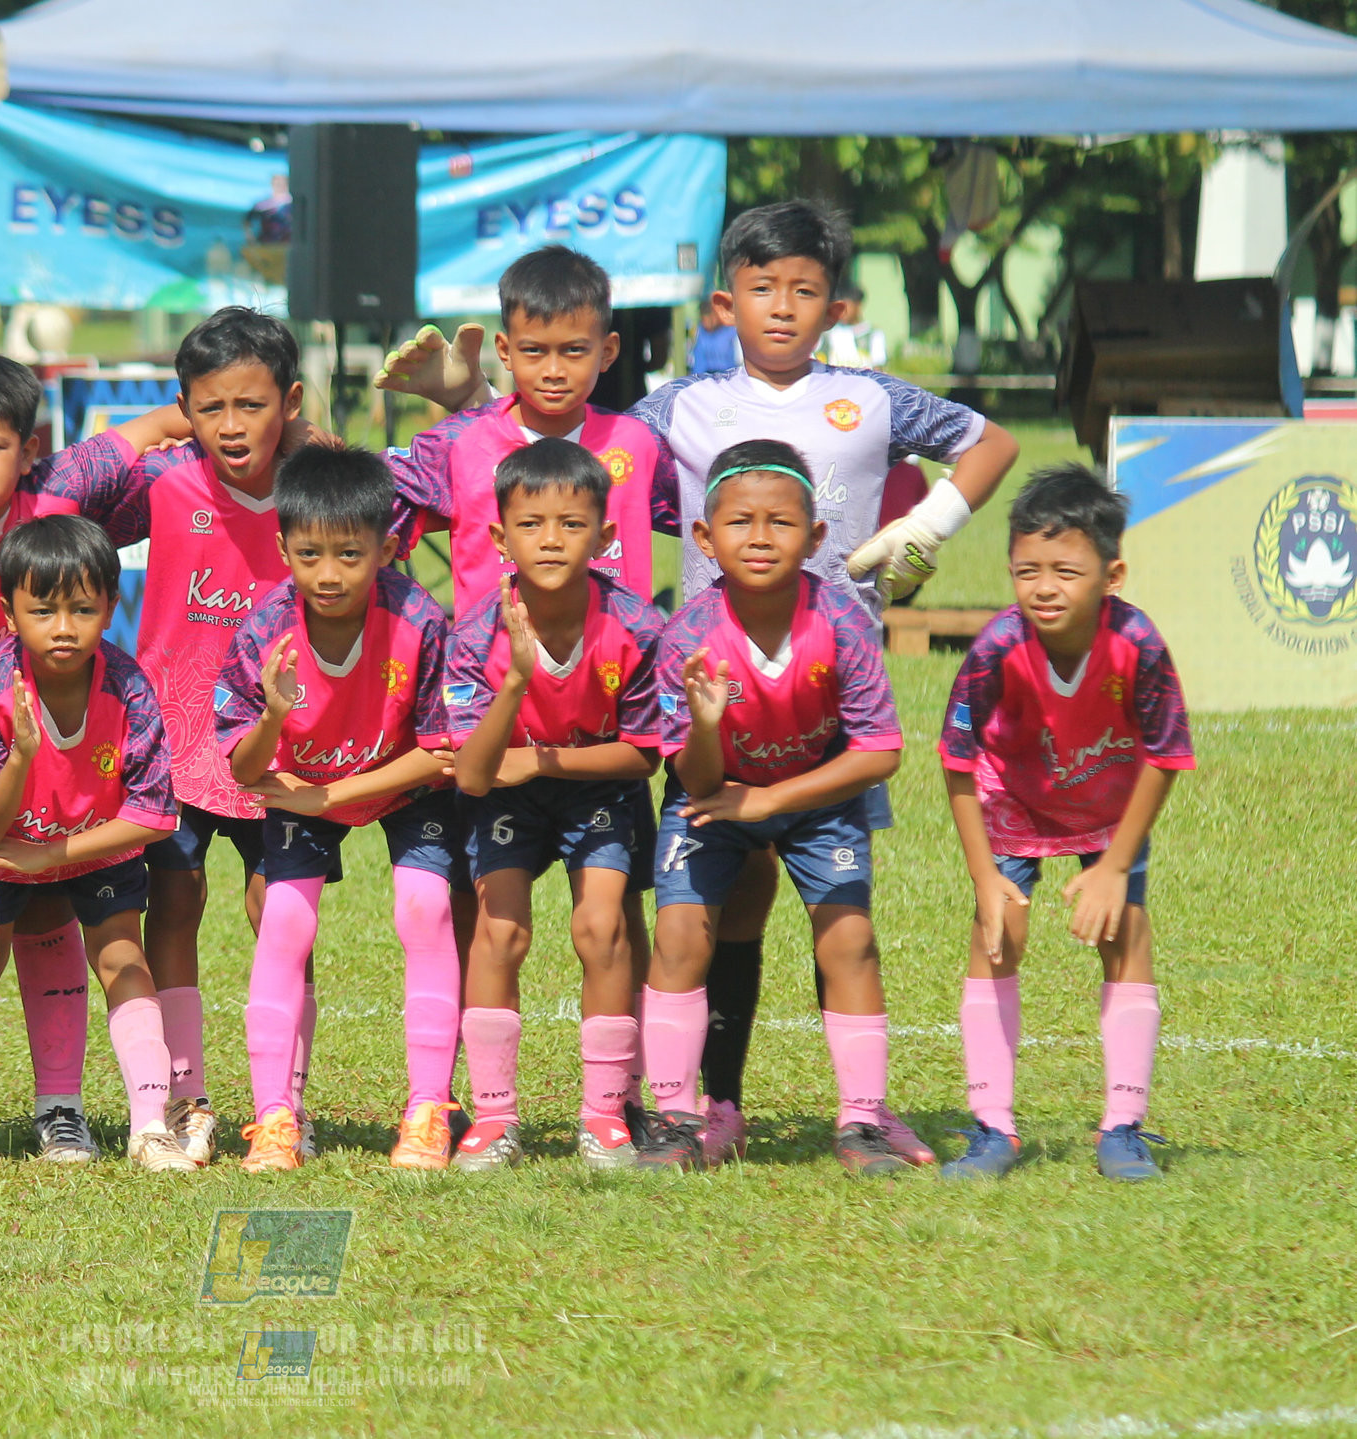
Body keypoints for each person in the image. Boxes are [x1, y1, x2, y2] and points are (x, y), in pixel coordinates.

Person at [375, 201, 1020, 1160]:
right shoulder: (674, 408)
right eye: (763, 290)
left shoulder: (795, 410)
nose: (784, 308)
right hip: (598, 703)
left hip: (741, 698)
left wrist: (924, 531)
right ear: (728, 302)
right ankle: (547, 1104)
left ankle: (691, 1100)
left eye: (805, 290)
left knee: (734, 911)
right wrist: (469, 401)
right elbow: (517, 466)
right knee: (556, 914)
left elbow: (983, 445)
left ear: (835, 304)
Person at [0, 351, 188, 1164]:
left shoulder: (59, 497)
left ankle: (83, 1110)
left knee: (68, 919)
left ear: (28, 449)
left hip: (68, 747)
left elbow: (163, 424)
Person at [36, 306, 307, 1165]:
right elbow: (52, 493)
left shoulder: (319, 488)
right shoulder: (168, 479)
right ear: (187, 408)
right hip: (174, 749)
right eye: (209, 407)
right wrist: (149, 427)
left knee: (283, 917)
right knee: (176, 906)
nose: (230, 426)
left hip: (281, 747)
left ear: (289, 402)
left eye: (252, 406)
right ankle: (186, 1097)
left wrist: (323, 447)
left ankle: (281, 1103)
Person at [642, 440, 931, 1177]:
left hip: (818, 797)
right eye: (740, 521)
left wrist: (770, 798)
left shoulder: (841, 622)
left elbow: (878, 751)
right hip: (712, 796)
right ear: (705, 538)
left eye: (781, 522)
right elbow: (692, 775)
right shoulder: (688, 635)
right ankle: (677, 1116)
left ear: (817, 537)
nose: (761, 537)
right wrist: (706, 723)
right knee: (679, 935)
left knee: (850, 940)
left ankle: (862, 1121)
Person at [937, 465, 1193, 1183]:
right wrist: (986, 879)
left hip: (1108, 811)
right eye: (1027, 570)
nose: (1043, 586)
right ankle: (994, 1127)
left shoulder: (1139, 644)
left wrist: (1114, 868)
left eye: (1065, 570)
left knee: (1126, 933)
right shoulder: (993, 650)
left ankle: (1123, 1126)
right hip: (1012, 803)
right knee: (997, 936)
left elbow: (1166, 755)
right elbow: (957, 762)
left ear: (1111, 574)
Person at [214, 447, 461, 1172]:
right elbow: (244, 768)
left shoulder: (418, 618)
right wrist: (273, 714)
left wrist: (332, 794)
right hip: (302, 787)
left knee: (424, 907)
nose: (328, 573)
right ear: (282, 546)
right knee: (286, 919)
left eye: (350, 554)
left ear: (387, 548)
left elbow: (441, 749)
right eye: (310, 553)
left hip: (401, 786)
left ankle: (428, 1111)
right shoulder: (265, 630)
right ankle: (275, 1117)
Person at [0, 516, 196, 1174]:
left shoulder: (128, 687)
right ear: (9, 611)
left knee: (122, 959)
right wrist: (21, 757)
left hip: (93, 846)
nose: (63, 626)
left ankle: (150, 1128)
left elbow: (157, 813)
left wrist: (52, 855)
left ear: (112, 602)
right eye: (42, 609)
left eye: (82, 608)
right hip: (3, 848)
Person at [445, 439, 662, 1172]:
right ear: (498, 538)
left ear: (606, 537)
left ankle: (604, 1113)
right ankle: (495, 1117)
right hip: (507, 795)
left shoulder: (634, 625)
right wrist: (514, 684)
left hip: (596, 786)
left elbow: (644, 751)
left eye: (572, 524)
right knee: (498, 932)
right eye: (531, 524)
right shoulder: (477, 633)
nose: (551, 539)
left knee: (602, 926)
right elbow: (474, 777)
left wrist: (541, 758)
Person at [383, 245, 674, 620]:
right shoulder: (460, 445)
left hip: (614, 672)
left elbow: (725, 514)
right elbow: (348, 509)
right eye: (534, 350)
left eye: (573, 350)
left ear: (608, 350)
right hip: (493, 674)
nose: (554, 370)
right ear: (504, 350)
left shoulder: (638, 445)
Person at [686, 304, 740, 375]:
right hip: (707, 378)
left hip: (730, 376)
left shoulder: (733, 331)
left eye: (709, 315)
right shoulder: (700, 333)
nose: (705, 322)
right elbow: (698, 365)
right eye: (703, 318)